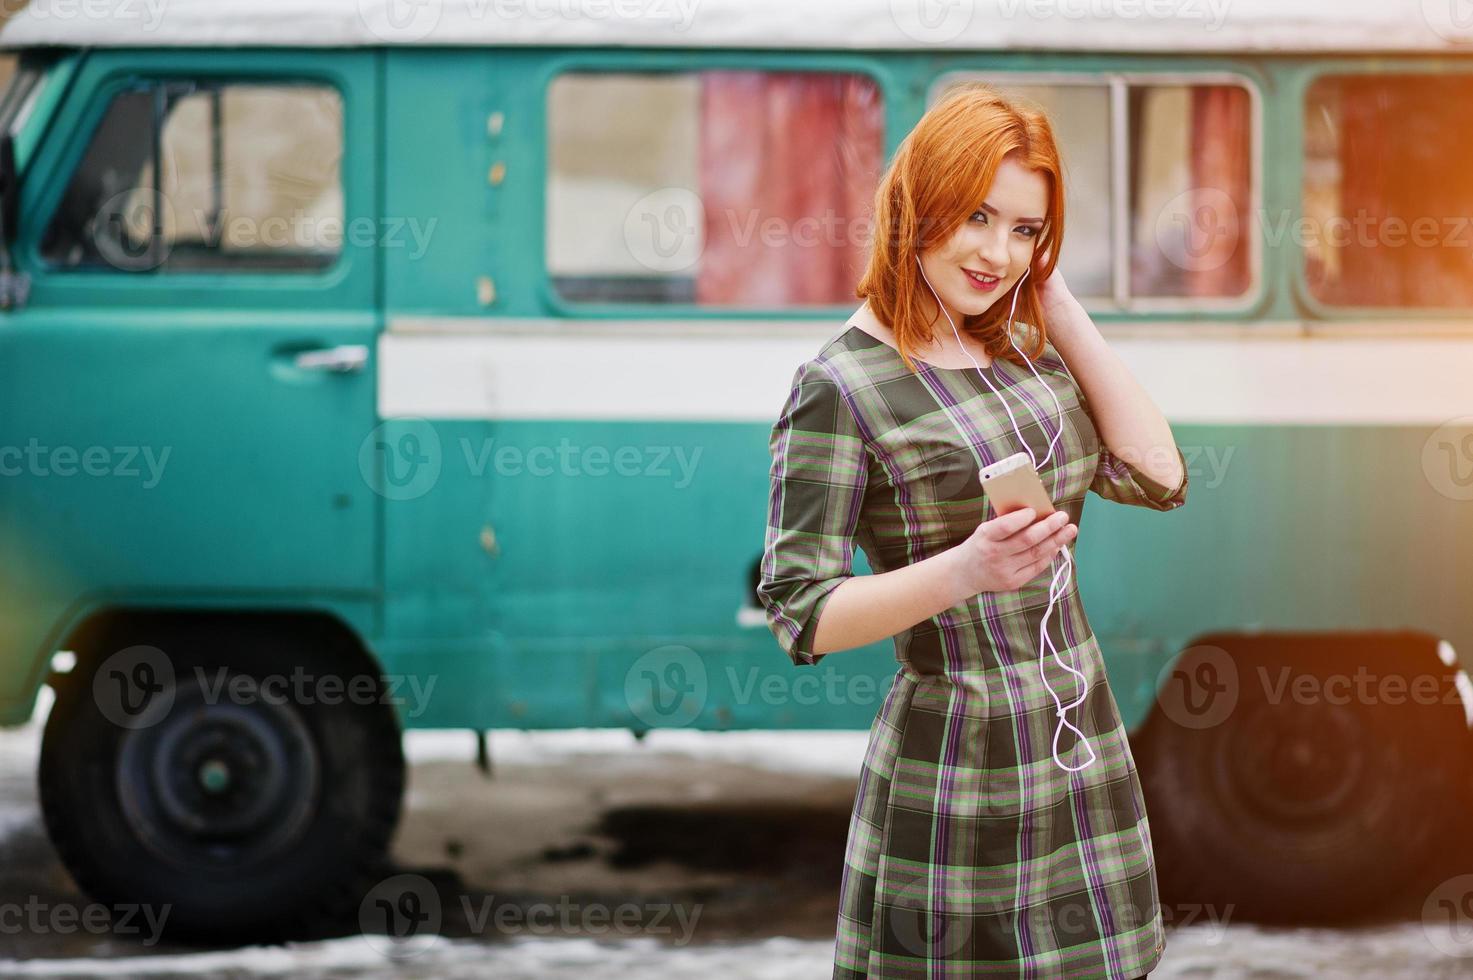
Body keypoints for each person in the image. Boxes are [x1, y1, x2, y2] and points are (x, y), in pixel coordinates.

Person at [757, 83, 1188, 978]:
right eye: (977, 217)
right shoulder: (840, 385)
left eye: (1025, 230)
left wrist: (1057, 304)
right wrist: (964, 571)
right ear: (919, 204)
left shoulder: (1022, 349)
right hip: (959, 761)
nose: (997, 252)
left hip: (1077, 739)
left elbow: (1157, 474)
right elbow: (800, 611)